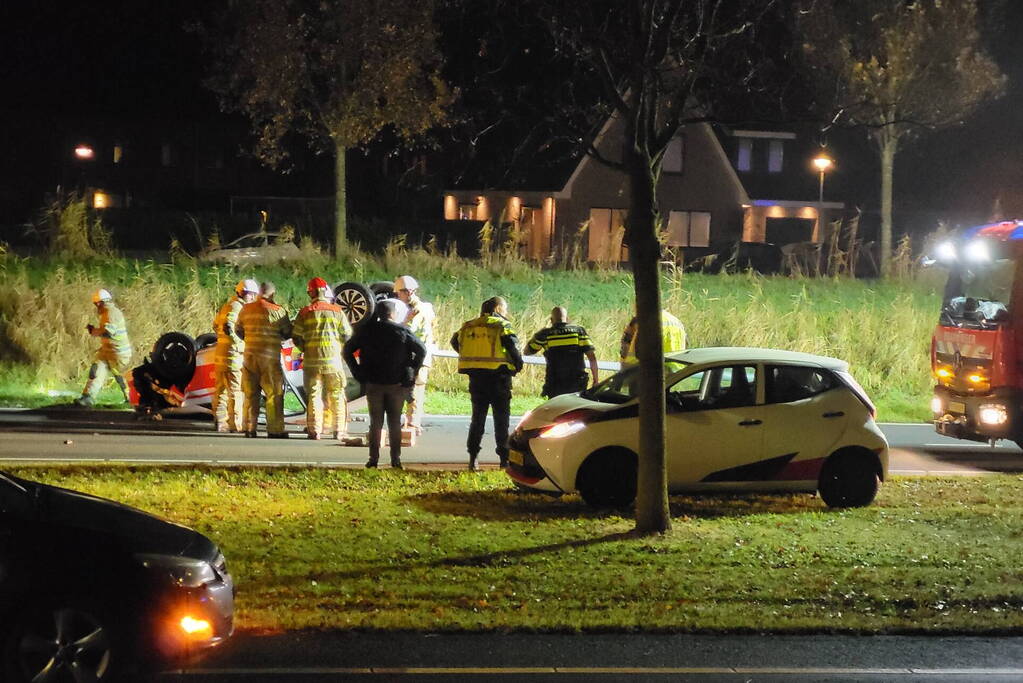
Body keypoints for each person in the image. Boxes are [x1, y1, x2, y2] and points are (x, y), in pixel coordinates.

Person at [343, 299, 427, 469]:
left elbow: (347, 351)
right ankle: (395, 459)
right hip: (397, 383)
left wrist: (358, 371)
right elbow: (422, 350)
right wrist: (412, 369)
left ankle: (373, 459)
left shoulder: (367, 331)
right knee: (395, 422)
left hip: (373, 383)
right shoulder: (402, 331)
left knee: (376, 422)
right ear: (393, 314)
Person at [451, 296, 523, 471]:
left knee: (477, 420)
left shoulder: (468, 325)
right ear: (498, 308)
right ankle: (504, 461)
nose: (506, 312)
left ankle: (473, 458)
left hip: (477, 379)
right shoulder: (502, 326)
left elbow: (454, 341)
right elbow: (512, 347)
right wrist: (518, 365)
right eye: (505, 309)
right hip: (499, 379)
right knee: (501, 421)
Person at [292, 277, 353, 440]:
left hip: (312, 363)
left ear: (310, 293)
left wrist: (305, 348)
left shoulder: (305, 312)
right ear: (326, 292)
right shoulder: (337, 311)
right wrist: (337, 346)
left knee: (313, 395)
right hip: (333, 363)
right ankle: (339, 430)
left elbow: (296, 336)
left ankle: (314, 430)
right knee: (337, 394)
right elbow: (347, 334)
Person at [236, 281, 292, 439]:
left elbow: (238, 330)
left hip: (249, 357)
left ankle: (249, 428)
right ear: (272, 294)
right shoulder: (278, 311)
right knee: (273, 394)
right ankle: (275, 430)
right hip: (269, 359)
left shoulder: (245, 309)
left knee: (250, 394)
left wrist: (250, 341)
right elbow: (287, 332)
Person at [211, 278, 259, 432]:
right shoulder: (238, 307)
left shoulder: (226, 306)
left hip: (220, 356)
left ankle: (220, 421)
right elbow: (229, 327)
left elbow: (215, 325)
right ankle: (235, 424)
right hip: (233, 358)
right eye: (251, 295)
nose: (252, 298)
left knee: (221, 391)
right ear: (243, 293)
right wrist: (241, 344)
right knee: (236, 391)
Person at [524, 306, 599, 398]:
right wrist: (596, 380)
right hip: (577, 381)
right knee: (575, 409)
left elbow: (527, 351)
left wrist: (537, 335)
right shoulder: (579, 332)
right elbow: (592, 357)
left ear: (551, 320)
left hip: (555, 382)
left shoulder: (545, 334)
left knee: (557, 410)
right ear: (567, 319)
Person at [75, 288, 132, 407]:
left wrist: (94, 331)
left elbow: (108, 332)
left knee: (121, 376)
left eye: (96, 304)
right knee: (96, 369)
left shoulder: (111, 313)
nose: (96, 307)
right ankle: (88, 397)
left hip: (118, 353)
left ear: (100, 303)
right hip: (108, 351)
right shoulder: (107, 312)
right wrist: (95, 331)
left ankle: (131, 398)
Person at [393, 274, 434, 435]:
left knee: (414, 390)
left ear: (407, 292)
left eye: (399, 293)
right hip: (416, 356)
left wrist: (397, 326)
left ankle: (412, 425)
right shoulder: (426, 307)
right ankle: (411, 422)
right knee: (411, 390)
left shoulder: (417, 310)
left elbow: (407, 331)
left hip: (418, 358)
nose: (398, 296)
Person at [619, 308, 687, 365]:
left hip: (646, 373)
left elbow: (626, 344)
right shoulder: (676, 322)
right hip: (678, 375)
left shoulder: (643, 321)